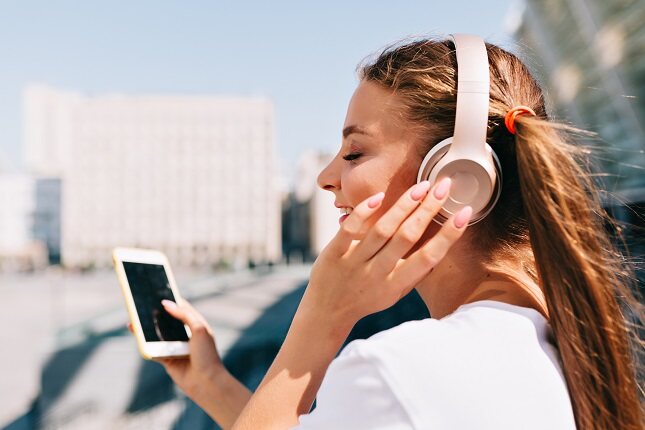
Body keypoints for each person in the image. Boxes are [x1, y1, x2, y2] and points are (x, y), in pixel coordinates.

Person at [132, 35, 644, 429]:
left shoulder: (396, 370)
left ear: (457, 178)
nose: (326, 176)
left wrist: (320, 317)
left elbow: (391, 398)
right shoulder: (567, 346)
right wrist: (209, 381)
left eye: (355, 152)